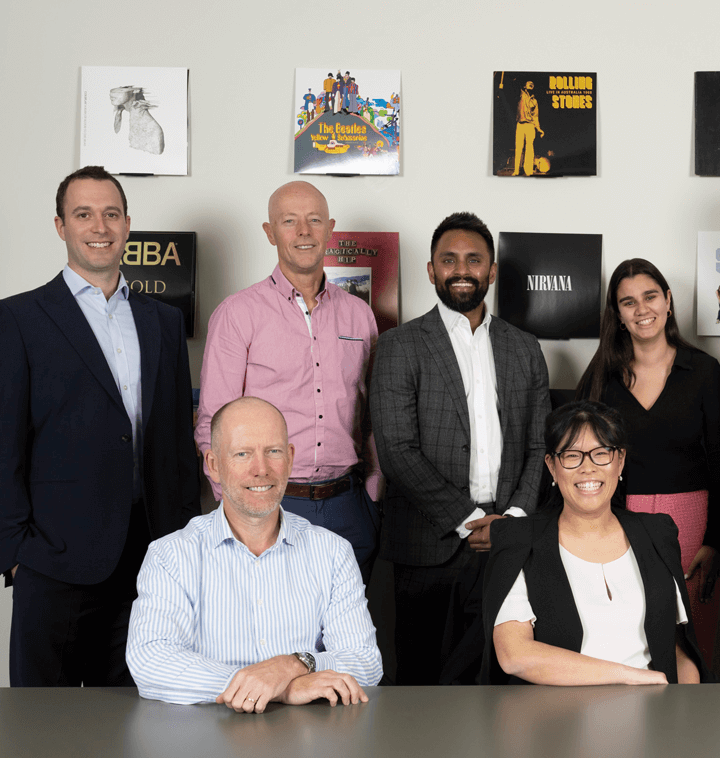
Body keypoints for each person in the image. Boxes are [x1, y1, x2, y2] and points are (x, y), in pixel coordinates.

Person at [0, 166, 199, 687]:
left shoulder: (163, 321)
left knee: (136, 727)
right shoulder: (18, 320)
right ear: (60, 226)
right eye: (83, 214)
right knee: (44, 733)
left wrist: (182, 541)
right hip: (53, 562)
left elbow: (173, 445)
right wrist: (14, 557)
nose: (99, 226)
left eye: (111, 214)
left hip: (149, 560)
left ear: (127, 225)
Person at [370, 211, 550, 685]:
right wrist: (469, 520)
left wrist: (509, 524)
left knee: (505, 690)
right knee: (423, 688)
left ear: (491, 271)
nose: (462, 269)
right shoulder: (399, 346)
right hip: (428, 548)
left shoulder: (525, 348)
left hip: (509, 546)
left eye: (474, 260)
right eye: (449, 260)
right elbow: (396, 450)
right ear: (431, 271)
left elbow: (540, 446)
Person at [128, 397, 381, 708]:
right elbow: (150, 659)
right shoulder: (171, 555)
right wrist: (275, 688)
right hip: (204, 744)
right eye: (242, 454)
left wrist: (292, 666)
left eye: (273, 451)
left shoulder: (332, 552)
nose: (260, 469)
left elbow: (366, 663)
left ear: (289, 458)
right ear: (214, 466)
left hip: (308, 745)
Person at [195, 182, 382, 580]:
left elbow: (371, 417)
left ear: (330, 228)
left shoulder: (358, 315)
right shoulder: (237, 314)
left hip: (348, 507)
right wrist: (238, 508)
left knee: (347, 640)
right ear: (269, 232)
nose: (303, 232)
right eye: (289, 221)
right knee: (269, 636)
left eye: (314, 220)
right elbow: (213, 422)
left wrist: (372, 495)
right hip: (269, 505)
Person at [575, 259, 720, 665]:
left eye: (650, 297)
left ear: (668, 301)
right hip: (620, 522)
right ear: (618, 315)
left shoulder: (703, 371)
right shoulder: (601, 378)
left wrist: (716, 541)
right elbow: (581, 462)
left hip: (692, 523)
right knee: (631, 642)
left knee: (692, 642)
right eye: (628, 302)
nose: (641, 309)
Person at [481, 401, 707, 685]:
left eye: (601, 454)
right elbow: (515, 655)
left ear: (620, 461)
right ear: (552, 466)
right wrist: (630, 677)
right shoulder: (518, 539)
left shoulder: (657, 533)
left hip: (654, 714)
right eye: (572, 455)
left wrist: (684, 707)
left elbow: (674, 647)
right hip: (555, 719)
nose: (588, 468)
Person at [513, 80, 544, 176]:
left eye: (532, 84)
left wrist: (539, 129)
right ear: (525, 86)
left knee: (530, 148)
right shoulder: (521, 94)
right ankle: (516, 170)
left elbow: (536, 117)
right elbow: (515, 85)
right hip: (520, 124)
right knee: (518, 148)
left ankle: (528, 170)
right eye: (529, 83)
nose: (531, 84)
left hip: (530, 125)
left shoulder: (534, 101)